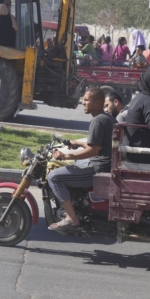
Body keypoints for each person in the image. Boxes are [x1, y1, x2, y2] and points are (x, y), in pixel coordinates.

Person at [47, 87, 117, 230]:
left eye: (86, 100)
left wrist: (65, 155)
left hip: (98, 168)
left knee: (54, 177)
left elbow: (93, 150)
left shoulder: (98, 121)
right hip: (105, 164)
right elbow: (99, 145)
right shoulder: (107, 118)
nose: (83, 103)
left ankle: (72, 218)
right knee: (75, 163)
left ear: (97, 103)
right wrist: (77, 143)